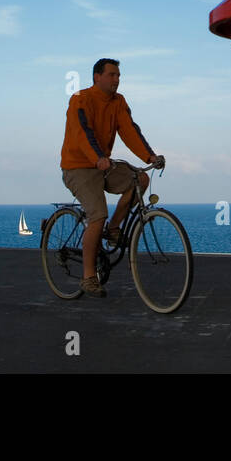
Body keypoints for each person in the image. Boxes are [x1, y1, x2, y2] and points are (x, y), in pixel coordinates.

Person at [59, 58, 165, 298]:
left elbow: (129, 130)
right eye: (111, 75)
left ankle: (114, 228)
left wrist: (150, 156)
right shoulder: (80, 99)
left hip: (103, 164)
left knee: (141, 180)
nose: (116, 79)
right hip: (78, 167)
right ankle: (88, 277)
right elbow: (82, 132)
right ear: (97, 77)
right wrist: (97, 157)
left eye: (118, 75)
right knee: (98, 215)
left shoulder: (119, 101)